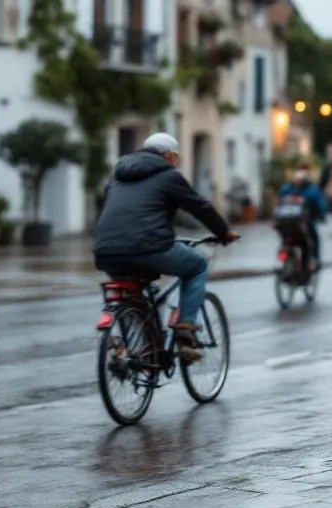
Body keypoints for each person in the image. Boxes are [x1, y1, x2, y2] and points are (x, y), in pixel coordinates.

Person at [93, 133, 240, 361]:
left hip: (106, 250)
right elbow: (200, 207)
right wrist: (224, 232)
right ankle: (185, 328)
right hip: (150, 247)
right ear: (170, 156)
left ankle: (138, 351)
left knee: (131, 292)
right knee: (198, 265)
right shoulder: (169, 176)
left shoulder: (117, 176)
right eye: (176, 158)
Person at [276, 162, 326, 270]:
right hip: (300, 223)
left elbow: (280, 197)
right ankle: (313, 260)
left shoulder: (287, 188)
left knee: (287, 239)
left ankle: (284, 262)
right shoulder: (310, 190)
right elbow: (320, 204)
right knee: (312, 239)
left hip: (285, 223)